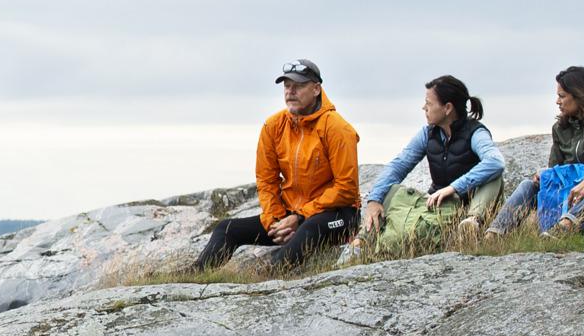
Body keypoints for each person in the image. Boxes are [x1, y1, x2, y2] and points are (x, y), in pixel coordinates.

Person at [195, 59, 361, 271]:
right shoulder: (273, 126)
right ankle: (195, 274)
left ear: (316, 89)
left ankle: (266, 278)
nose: (291, 91)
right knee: (226, 228)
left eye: (299, 85)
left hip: (339, 217)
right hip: (290, 216)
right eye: (287, 86)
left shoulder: (337, 128)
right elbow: (266, 179)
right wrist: (276, 219)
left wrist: (299, 217)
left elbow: (346, 189)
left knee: (308, 229)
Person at [353, 75, 506, 256]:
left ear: (447, 108)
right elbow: (399, 165)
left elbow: (495, 161)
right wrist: (374, 200)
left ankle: (470, 225)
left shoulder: (475, 132)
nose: (424, 108)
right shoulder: (428, 134)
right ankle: (360, 243)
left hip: (469, 202)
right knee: (390, 188)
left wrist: (454, 188)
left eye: (429, 103)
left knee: (494, 177)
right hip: (439, 204)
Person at [489, 65, 584, 236]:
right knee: (529, 185)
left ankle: (564, 228)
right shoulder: (561, 128)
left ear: (581, 95)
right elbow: (556, 175)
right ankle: (494, 234)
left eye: (562, 96)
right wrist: (546, 176)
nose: (557, 102)